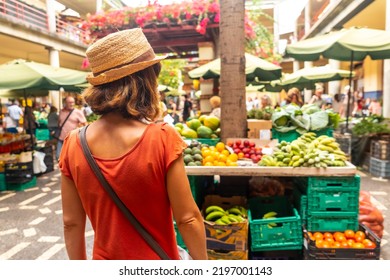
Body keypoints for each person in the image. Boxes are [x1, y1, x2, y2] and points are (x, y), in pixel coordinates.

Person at [59, 28, 207, 260]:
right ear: (145, 81)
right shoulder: (162, 138)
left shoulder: (72, 144)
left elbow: (71, 223)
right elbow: (188, 218)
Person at [56, 96, 87, 160]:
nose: (72, 104)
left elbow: (85, 124)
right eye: (69, 102)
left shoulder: (78, 112)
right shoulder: (61, 112)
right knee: (58, 156)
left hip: (72, 139)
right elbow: (59, 123)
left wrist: (79, 131)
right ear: (65, 103)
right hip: (61, 138)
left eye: (73, 102)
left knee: (71, 158)